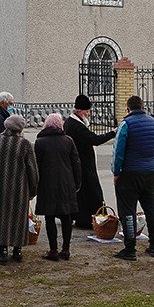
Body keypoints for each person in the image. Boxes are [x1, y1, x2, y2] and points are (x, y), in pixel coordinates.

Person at [0, 113, 38, 265]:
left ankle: (3, 251)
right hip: (18, 189)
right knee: (17, 218)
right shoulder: (24, 144)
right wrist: (32, 190)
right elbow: (33, 170)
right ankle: (17, 251)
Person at [111, 95, 154, 260]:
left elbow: (118, 151)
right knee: (151, 209)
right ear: (143, 106)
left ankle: (130, 247)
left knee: (127, 211)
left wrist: (116, 172)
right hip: (148, 173)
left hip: (129, 174)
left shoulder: (126, 124)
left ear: (128, 108)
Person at [64, 95, 116, 229]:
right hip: (83, 164)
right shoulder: (77, 126)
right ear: (80, 111)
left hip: (78, 163)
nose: (89, 113)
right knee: (92, 192)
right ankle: (92, 218)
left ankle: (81, 217)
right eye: (87, 111)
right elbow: (94, 140)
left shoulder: (70, 122)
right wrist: (112, 133)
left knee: (82, 192)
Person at [33, 113, 81, 262]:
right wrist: (77, 183)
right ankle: (66, 249)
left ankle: (53, 249)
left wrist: (35, 185)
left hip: (47, 184)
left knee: (50, 217)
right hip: (66, 183)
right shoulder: (68, 141)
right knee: (66, 217)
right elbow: (76, 164)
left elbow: (36, 166)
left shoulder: (40, 142)